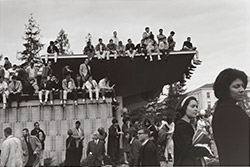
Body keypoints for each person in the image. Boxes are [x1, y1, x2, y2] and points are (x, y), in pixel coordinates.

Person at [212, 68, 250, 166]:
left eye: (242, 86)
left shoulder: (221, 109)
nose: (242, 90)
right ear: (225, 89)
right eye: (236, 86)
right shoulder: (230, 111)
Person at [173, 96, 211, 166]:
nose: (196, 109)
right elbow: (187, 150)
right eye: (192, 106)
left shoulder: (189, 125)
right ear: (184, 108)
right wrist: (205, 150)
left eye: (196, 106)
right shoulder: (181, 127)